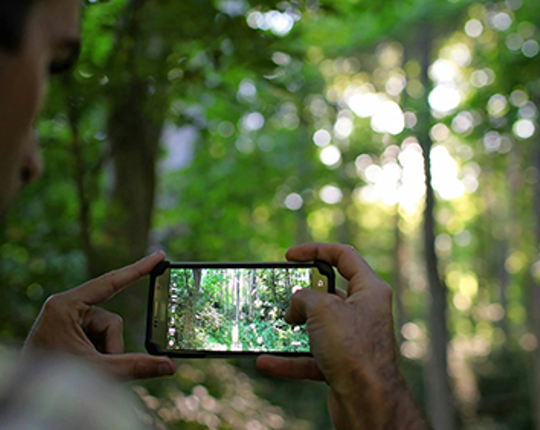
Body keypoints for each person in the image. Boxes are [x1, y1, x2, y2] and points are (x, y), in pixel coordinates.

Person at [0, 0, 431, 429]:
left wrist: (37, 375)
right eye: (51, 64)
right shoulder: (72, 413)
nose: (35, 161)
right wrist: (369, 383)